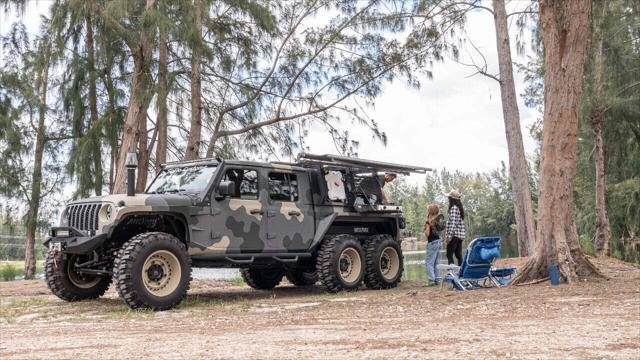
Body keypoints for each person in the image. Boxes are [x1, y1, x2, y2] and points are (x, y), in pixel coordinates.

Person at [424, 203, 444, 286]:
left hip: (432, 243)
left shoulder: (429, 222)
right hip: (438, 242)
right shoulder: (438, 221)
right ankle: (437, 279)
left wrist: (425, 230)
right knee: (436, 262)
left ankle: (431, 280)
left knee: (429, 262)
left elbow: (427, 234)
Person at [445, 190, 465, 266]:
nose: (448, 199)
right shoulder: (459, 208)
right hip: (460, 236)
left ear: (451, 199)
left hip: (454, 236)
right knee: (458, 255)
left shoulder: (453, 208)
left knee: (449, 255)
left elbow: (453, 224)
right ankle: (461, 272)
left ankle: (451, 273)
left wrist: (449, 237)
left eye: (449, 197)